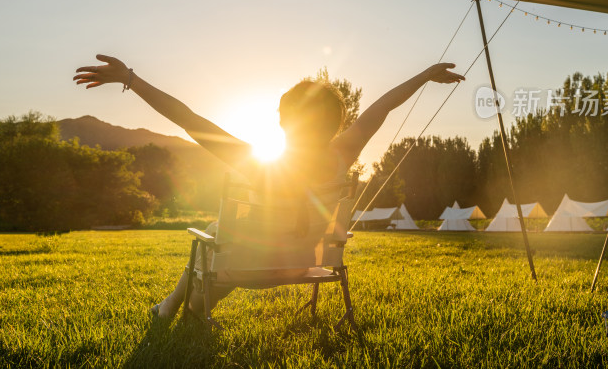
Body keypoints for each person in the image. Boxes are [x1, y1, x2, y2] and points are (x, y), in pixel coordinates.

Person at [73, 54, 464, 318]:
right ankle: (177, 309)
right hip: (305, 265)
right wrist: (426, 74)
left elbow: (187, 119)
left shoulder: (259, 162)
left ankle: (174, 308)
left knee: (214, 237)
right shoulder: (343, 152)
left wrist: (130, 79)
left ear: (284, 122)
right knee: (225, 239)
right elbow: (383, 106)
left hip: (246, 270)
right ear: (334, 123)